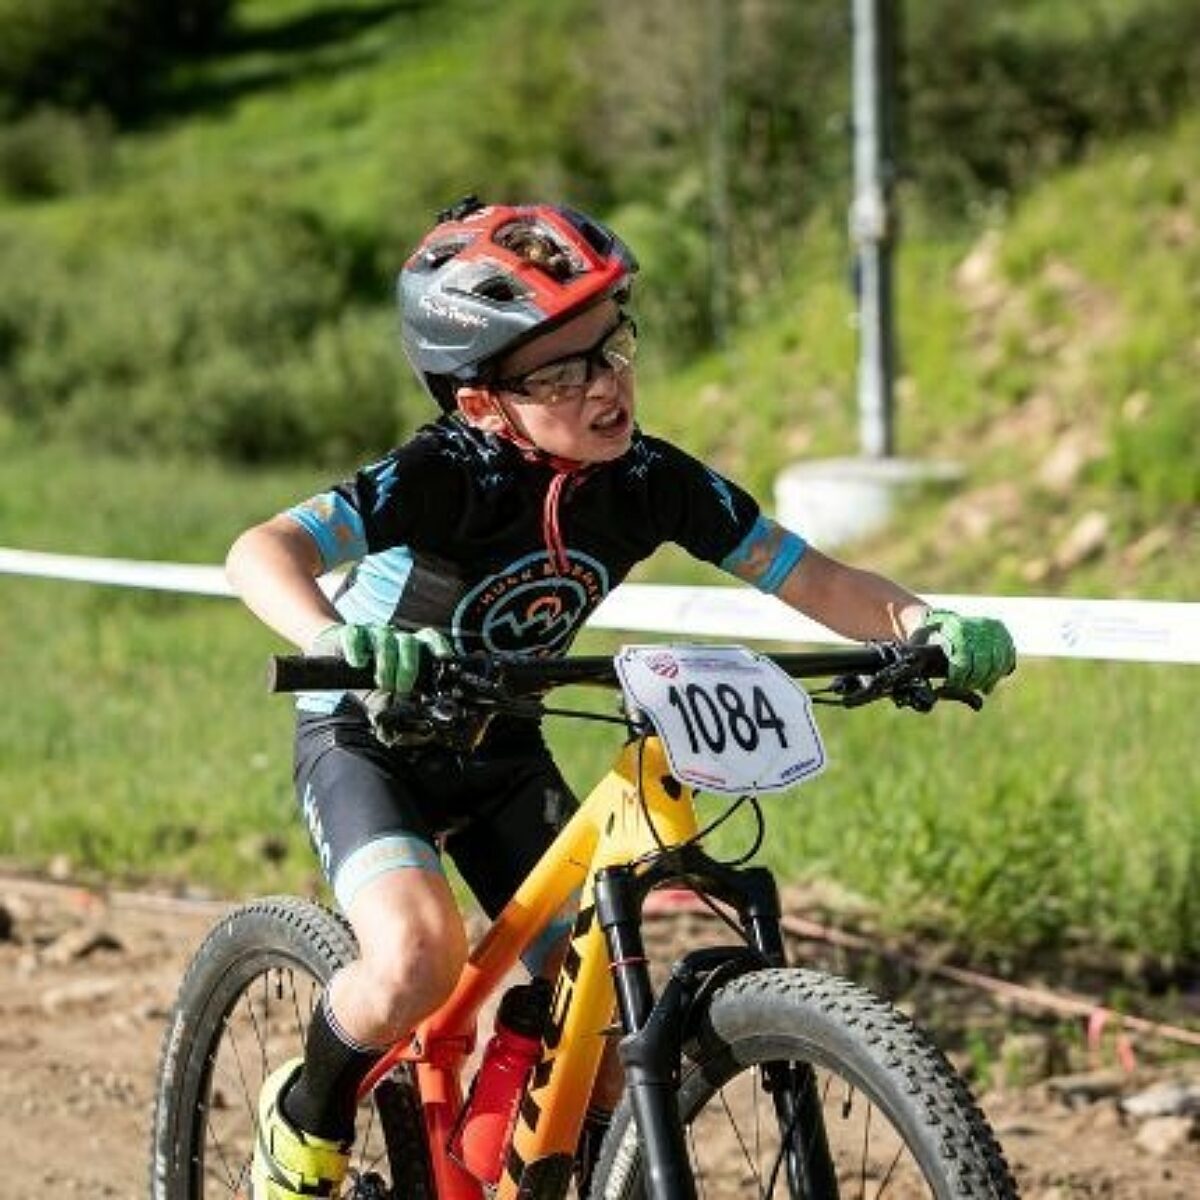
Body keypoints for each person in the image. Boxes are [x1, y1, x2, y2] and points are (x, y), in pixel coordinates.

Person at [226, 195, 1016, 1200]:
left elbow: (812, 578)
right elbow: (261, 551)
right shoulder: (442, 473)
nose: (607, 385)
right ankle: (304, 1124)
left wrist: (921, 627)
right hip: (373, 736)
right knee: (418, 955)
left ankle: (502, 1155)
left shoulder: (651, 480)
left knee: (593, 1004)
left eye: (612, 347)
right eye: (562, 371)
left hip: (500, 744)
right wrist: (335, 636)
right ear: (481, 402)